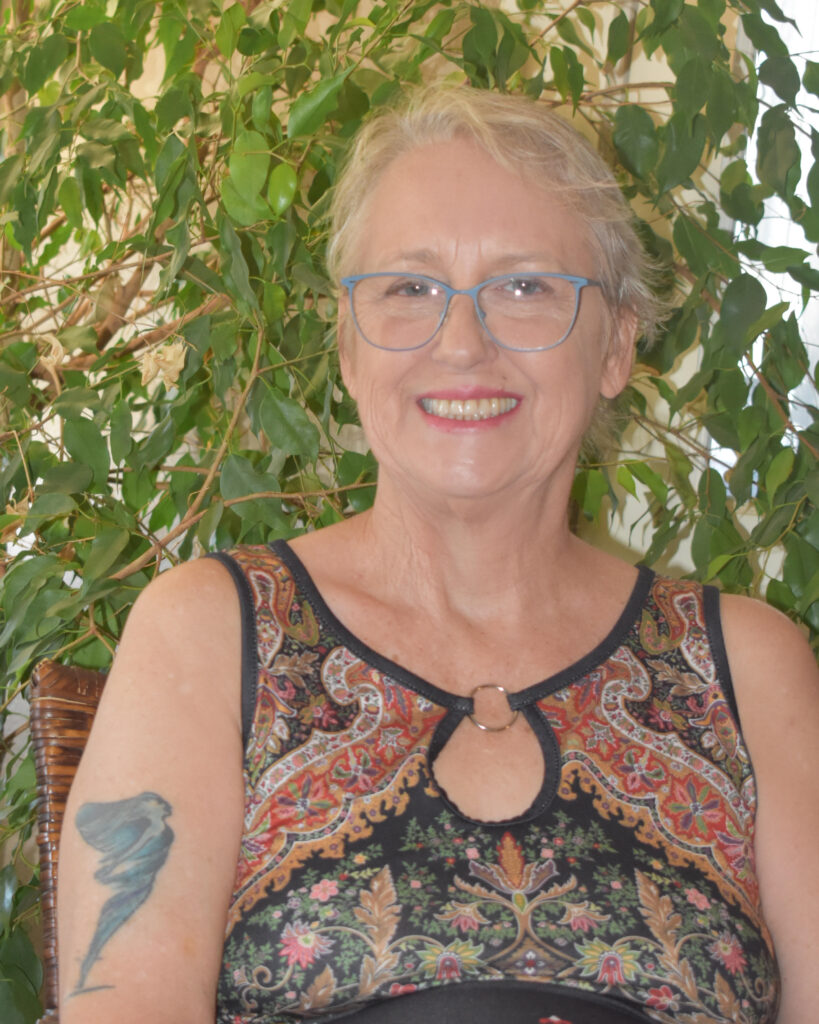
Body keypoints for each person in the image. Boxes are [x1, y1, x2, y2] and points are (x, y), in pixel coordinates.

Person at [57, 87, 819, 1024]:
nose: (461, 344)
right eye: (409, 289)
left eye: (525, 286)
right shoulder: (210, 634)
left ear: (617, 344)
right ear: (346, 342)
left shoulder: (745, 664)